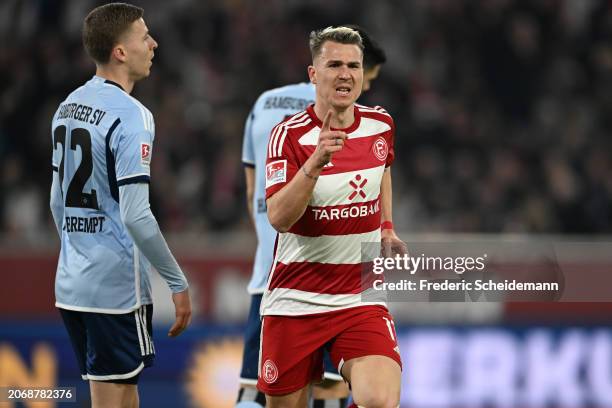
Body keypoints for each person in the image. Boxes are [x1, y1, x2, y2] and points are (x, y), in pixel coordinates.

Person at [49, 3, 191, 407]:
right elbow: (136, 214)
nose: (154, 43)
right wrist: (177, 283)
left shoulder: (66, 107)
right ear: (120, 52)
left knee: (121, 394)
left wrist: (78, 253)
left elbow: (57, 200)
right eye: (144, 36)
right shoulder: (132, 116)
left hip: (72, 285)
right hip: (114, 291)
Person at [239, 26, 387, 408]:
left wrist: (387, 226)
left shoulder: (381, 124)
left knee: (378, 398)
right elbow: (277, 215)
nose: (351, 76)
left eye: (356, 67)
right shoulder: (287, 135)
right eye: (335, 64)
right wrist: (314, 165)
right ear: (313, 73)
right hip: (294, 295)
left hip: (356, 297)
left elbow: (384, 167)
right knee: (286, 398)